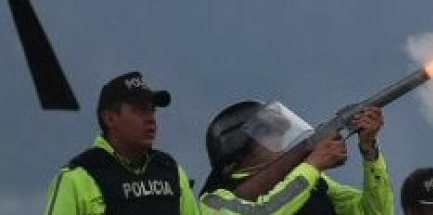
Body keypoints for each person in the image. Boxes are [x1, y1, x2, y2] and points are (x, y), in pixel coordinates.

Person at [43, 71, 200, 215]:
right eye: (140, 110)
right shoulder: (76, 179)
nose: (151, 119)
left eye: (152, 110)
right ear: (110, 118)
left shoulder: (173, 172)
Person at [200, 100, 394, 215]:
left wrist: (369, 150)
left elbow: (375, 212)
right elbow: (263, 211)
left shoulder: (307, 177)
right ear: (239, 152)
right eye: (267, 133)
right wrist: (312, 166)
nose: (280, 138)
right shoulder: (212, 202)